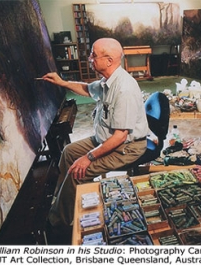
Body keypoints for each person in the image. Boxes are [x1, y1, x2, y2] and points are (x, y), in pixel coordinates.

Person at [42, 38, 148, 240]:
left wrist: (89, 157)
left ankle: (57, 225)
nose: (89, 58)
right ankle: (64, 202)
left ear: (108, 61)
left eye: (93, 54)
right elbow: (86, 89)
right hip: (106, 140)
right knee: (69, 152)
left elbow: (120, 137)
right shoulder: (108, 81)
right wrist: (62, 82)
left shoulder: (124, 89)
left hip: (126, 147)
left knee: (78, 171)